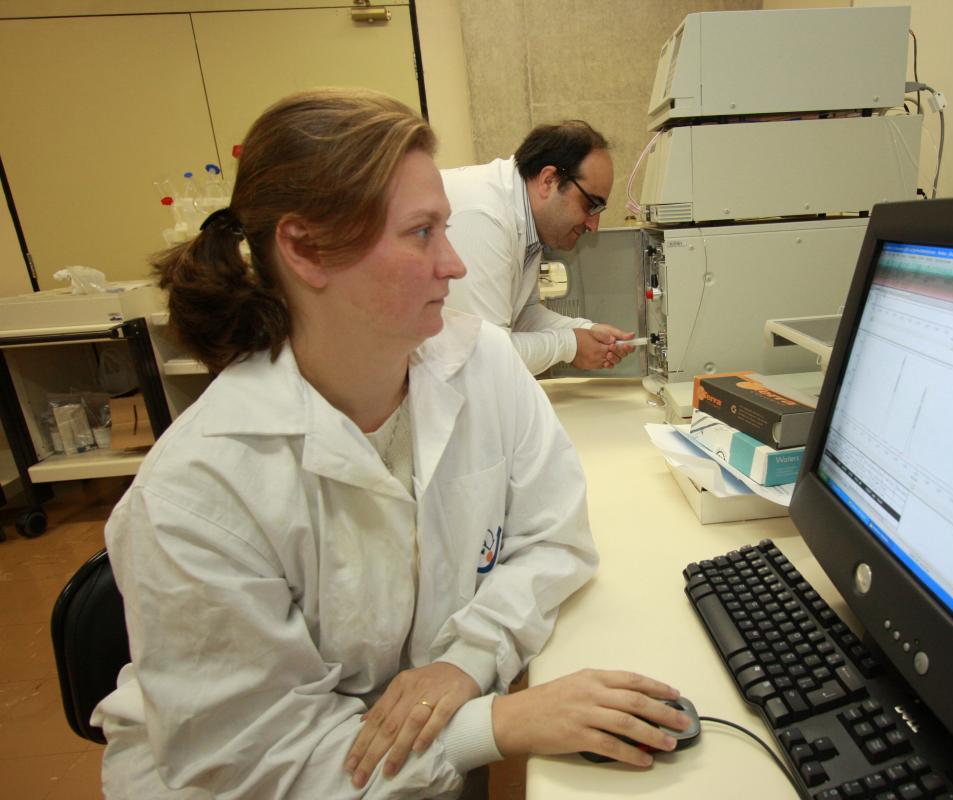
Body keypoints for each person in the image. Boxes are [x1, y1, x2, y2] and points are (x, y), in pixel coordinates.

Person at [93, 88, 690, 799]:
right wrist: (493, 725)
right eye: (421, 233)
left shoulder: (479, 362)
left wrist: (467, 660)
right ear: (305, 249)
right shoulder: (197, 494)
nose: (456, 265)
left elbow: (554, 536)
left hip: (409, 752)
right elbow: (259, 767)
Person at [441, 121, 636, 375]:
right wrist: (569, 344)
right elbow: (485, 358)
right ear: (548, 181)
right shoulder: (485, 217)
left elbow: (523, 314)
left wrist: (585, 331)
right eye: (590, 205)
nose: (593, 225)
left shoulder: (526, 220)